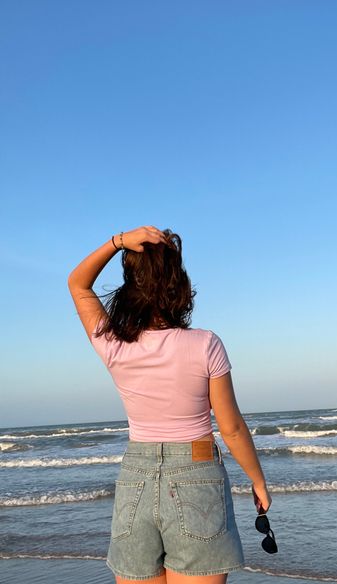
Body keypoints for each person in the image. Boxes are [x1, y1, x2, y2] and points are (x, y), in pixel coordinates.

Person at [67, 225, 272, 584]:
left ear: (131, 287)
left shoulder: (114, 344)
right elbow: (231, 427)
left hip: (136, 479)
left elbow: (78, 283)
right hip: (197, 475)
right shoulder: (206, 344)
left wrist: (117, 242)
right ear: (179, 282)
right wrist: (258, 481)